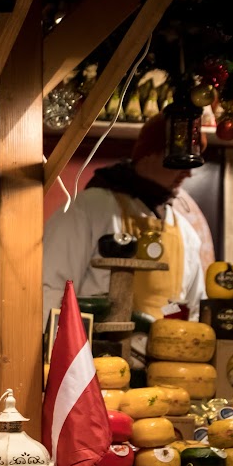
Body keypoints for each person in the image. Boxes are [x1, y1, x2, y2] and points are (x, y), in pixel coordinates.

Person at [43, 115, 206, 324]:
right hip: (96, 344)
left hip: (167, 344)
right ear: (148, 154)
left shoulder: (186, 233)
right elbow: (51, 290)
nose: (188, 173)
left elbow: (194, 310)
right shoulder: (90, 208)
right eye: (179, 160)